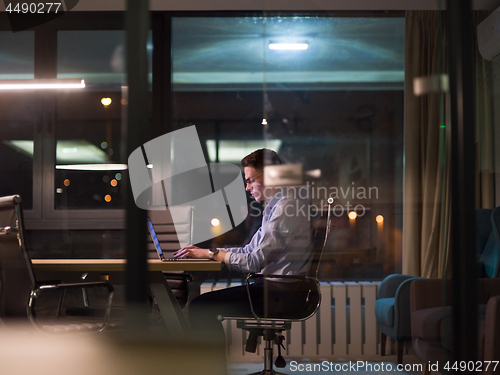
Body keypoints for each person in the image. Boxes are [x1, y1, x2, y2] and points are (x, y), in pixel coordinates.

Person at [172, 148, 313, 361]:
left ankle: (212, 371)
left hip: (281, 294)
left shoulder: (286, 208)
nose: (247, 188)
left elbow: (254, 261)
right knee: (202, 305)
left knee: (201, 308)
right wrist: (209, 252)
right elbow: (249, 251)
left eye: (250, 180)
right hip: (275, 289)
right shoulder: (277, 207)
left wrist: (213, 255)